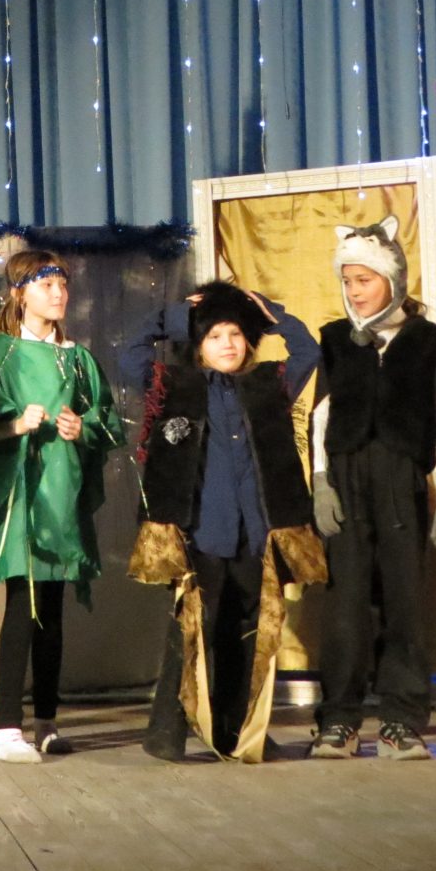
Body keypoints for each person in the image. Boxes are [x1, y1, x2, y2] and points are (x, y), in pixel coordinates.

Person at [121, 280, 327, 764]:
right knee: (192, 633)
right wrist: (175, 316)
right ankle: (167, 732)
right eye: (214, 336)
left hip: (254, 533)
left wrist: (269, 313)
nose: (227, 344)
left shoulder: (268, 385)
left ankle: (242, 731)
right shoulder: (175, 386)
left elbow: (308, 352)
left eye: (235, 334)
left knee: (247, 632)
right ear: (198, 345)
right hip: (199, 533)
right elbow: (130, 356)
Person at [308, 217, 436, 762]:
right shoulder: (335, 340)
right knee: (346, 604)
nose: (354, 291)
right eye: (347, 281)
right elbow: (320, 419)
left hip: (400, 479)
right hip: (346, 479)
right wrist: (320, 482)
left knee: (404, 601)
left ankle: (401, 720)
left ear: (392, 281)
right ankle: (340, 719)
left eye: (364, 280)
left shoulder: (426, 341)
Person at [0, 250, 123, 763]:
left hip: (60, 491)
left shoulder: (77, 359)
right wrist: (14, 425)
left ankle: (47, 723)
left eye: (62, 284)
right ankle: (8, 728)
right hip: (20, 493)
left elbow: (107, 423)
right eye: (46, 284)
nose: (58, 293)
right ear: (20, 293)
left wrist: (82, 428)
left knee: (51, 610)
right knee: (21, 603)